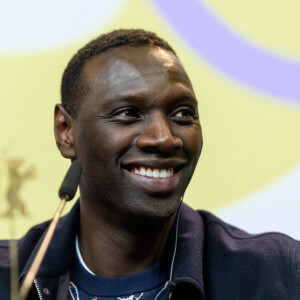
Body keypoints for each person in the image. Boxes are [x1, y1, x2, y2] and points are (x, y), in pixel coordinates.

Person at [0, 29, 300, 300]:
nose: (164, 138)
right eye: (128, 113)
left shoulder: (277, 274)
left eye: (182, 114)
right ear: (66, 131)